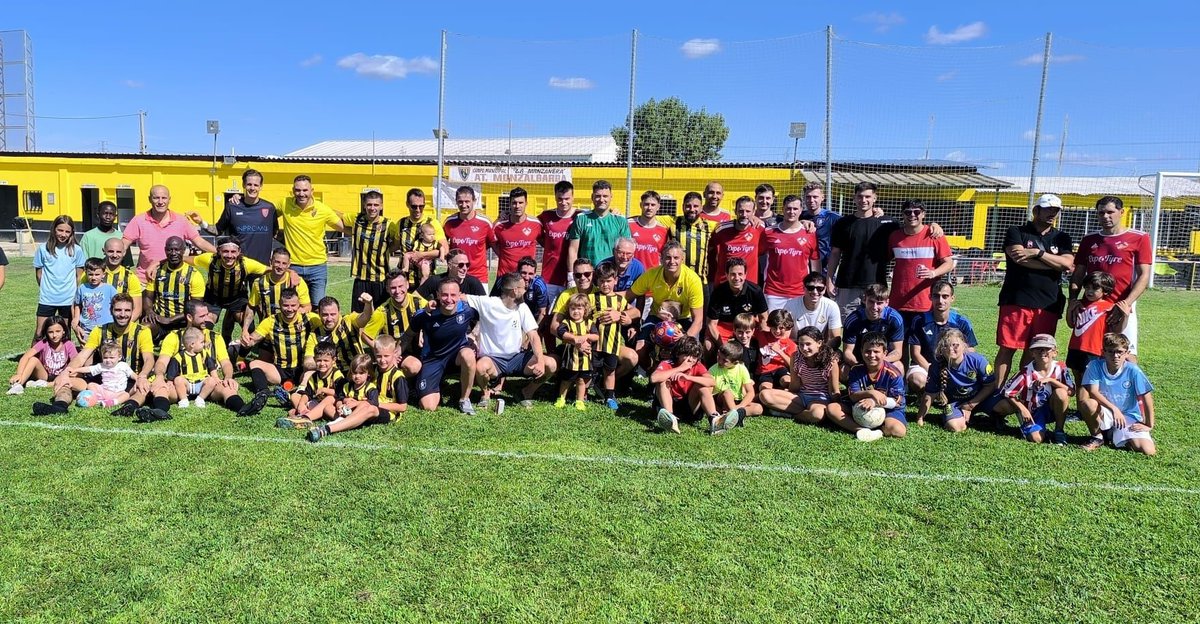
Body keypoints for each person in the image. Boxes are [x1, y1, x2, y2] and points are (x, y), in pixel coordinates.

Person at [993, 193, 1075, 388]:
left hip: (1048, 303)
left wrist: (1038, 253)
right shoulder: (1016, 231)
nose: (1052, 214)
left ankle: (1024, 393)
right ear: (1036, 210)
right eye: (1048, 209)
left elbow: (1068, 263)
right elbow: (1018, 258)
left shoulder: (1062, 237)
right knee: (1007, 348)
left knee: (1036, 351)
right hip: (1016, 299)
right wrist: (1055, 264)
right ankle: (997, 394)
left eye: (1055, 210)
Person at [32, 294, 154, 417]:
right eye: (118, 310)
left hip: (129, 381)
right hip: (102, 380)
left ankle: (129, 408)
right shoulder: (100, 330)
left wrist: (142, 376)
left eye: (127, 310)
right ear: (111, 310)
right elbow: (82, 357)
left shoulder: (142, 332)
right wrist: (66, 372)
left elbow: (149, 359)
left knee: (142, 389)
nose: (122, 314)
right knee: (66, 382)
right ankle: (59, 407)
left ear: (132, 311)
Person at [1069, 195, 1152, 359]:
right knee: (1088, 355)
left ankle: (1130, 385)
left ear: (1121, 212)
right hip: (1092, 307)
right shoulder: (1089, 240)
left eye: (1110, 212)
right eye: (1101, 213)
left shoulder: (1139, 237)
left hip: (1120, 307)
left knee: (1125, 354)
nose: (1105, 216)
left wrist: (1126, 305)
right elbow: (1078, 274)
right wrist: (1072, 300)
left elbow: (1144, 276)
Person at [140, 300, 246, 419]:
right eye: (202, 316)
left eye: (207, 314)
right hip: (180, 386)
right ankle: (159, 412)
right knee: (161, 389)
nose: (207, 318)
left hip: (207, 385)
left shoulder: (215, 337)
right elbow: (161, 362)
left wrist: (228, 378)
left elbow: (226, 362)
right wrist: (159, 377)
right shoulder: (174, 336)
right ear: (189, 317)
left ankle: (243, 409)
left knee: (228, 388)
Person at [464, 273, 555, 410]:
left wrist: (540, 360)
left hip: (517, 358)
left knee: (551, 365)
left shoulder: (522, 308)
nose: (526, 291)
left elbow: (533, 336)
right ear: (515, 291)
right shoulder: (488, 303)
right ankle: (486, 393)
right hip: (493, 360)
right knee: (480, 367)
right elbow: (459, 297)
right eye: (524, 288)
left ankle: (527, 392)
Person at [402, 280, 479, 413]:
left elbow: (484, 318)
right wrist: (395, 355)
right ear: (437, 295)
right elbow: (407, 336)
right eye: (444, 295)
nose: (449, 299)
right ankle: (431, 383)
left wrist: (474, 334)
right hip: (433, 359)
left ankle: (464, 399)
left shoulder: (467, 309)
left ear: (459, 295)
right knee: (428, 407)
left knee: (468, 355)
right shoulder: (426, 314)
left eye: (453, 295)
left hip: (457, 357)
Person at [238, 288, 319, 415]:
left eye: (293, 305)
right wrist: (247, 342)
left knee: (312, 368)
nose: (290, 309)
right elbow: (253, 339)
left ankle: (296, 394)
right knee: (254, 364)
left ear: (299, 305)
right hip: (280, 370)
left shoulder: (310, 319)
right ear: (280, 305)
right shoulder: (271, 321)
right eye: (286, 305)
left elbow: (327, 326)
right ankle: (262, 393)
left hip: (302, 369)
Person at [988, 333, 1074, 445]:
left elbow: (1071, 391)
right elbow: (1008, 392)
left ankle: (1059, 431)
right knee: (1036, 439)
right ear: (1032, 353)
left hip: (1053, 408)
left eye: (1047, 349)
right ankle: (1031, 425)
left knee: (1061, 393)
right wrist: (1022, 409)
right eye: (1038, 349)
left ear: (1055, 353)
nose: (1042, 352)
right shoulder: (1025, 372)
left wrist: (1051, 380)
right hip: (1033, 411)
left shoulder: (1061, 368)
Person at [826, 181, 898, 316]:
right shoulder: (842, 223)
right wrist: (829, 280)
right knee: (848, 327)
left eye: (867, 197)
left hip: (876, 285)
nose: (863, 200)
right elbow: (835, 253)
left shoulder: (888, 224)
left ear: (875, 198)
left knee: (875, 329)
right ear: (854, 198)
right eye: (859, 196)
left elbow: (912, 231)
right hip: (847, 285)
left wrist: (934, 226)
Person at [1078, 333, 1156, 455]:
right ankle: (1097, 437)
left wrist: (1149, 424)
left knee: (1148, 451)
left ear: (1127, 353)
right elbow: (1093, 392)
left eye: (1120, 352)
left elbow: (1146, 396)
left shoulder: (1133, 370)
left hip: (1128, 415)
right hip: (1106, 411)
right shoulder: (1095, 366)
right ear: (1103, 352)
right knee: (1088, 403)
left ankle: (1112, 433)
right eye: (1111, 351)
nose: (1115, 356)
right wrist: (1114, 409)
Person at [187, 236, 269, 351]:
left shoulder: (246, 263)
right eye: (225, 251)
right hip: (214, 297)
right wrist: (156, 264)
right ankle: (203, 349)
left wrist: (291, 272)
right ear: (219, 251)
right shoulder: (209, 259)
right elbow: (184, 259)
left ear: (239, 252)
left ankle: (241, 355)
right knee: (205, 322)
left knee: (248, 325)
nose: (229, 255)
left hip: (237, 298)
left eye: (233, 252)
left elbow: (270, 269)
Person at [276, 175, 346, 305]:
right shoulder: (285, 204)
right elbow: (263, 212)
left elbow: (344, 228)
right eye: (298, 190)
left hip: (317, 267)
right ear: (293, 190)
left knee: (318, 307)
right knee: (292, 306)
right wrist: (240, 200)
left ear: (312, 191)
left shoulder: (323, 209)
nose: (301, 194)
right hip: (293, 267)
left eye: (305, 190)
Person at [122, 185, 215, 282]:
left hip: (175, 279)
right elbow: (124, 243)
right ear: (149, 199)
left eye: (164, 198)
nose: (160, 202)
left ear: (169, 200)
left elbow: (200, 242)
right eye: (156, 198)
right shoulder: (138, 220)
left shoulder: (181, 221)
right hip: (145, 279)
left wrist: (220, 253)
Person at [886, 199, 955, 329]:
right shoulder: (894, 237)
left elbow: (948, 263)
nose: (912, 215)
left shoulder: (934, 235)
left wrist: (933, 273)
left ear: (923, 214)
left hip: (926, 302)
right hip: (898, 301)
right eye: (908, 212)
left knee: (925, 346)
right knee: (899, 344)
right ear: (902, 214)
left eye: (916, 212)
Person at [188, 169, 279, 264]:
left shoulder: (269, 208)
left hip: (262, 267)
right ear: (243, 185)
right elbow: (217, 230)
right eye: (249, 184)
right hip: (237, 266)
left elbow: (275, 233)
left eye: (256, 185)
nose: (252, 188)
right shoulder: (232, 206)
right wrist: (201, 222)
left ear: (260, 187)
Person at [905, 279, 979, 393]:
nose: (940, 300)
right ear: (930, 297)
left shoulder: (961, 322)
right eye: (936, 296)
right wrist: (933, 372)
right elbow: (915, 354)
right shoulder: (919, 320)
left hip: (953, 366)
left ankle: (945, 392)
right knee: (917, 380)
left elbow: (970, 350)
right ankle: (933, 393)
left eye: (945, 296)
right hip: (925, 366)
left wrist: (955, 367)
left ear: (952, 298)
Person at [759, 325, 842, 425]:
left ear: (819, 343)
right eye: (801, 344)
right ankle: (802, 412)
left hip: (821, 400)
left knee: (817, 414)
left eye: (808, 344)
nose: (804, 348)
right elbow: (794, 384)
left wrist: (836, 408)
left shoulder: (831, 362)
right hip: (801, 397)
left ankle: (791, 414)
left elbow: (833, 391)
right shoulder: (796, 357)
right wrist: (787, 396)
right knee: (765, 395)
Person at [917, 328, 996, 432]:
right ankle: (962, 417)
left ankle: (995, 417)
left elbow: (990, 385)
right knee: (955, 426)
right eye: (945, 345)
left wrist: (971, 405)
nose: (950, 349)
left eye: (955, 345)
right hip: (957, 403)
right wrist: (920, 417)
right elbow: (930, 394)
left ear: (964, 345)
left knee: (1006, 406)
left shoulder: (978, 360)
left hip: (980, 399)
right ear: (940, 349)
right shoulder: (936, 366)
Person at [837, 332, 907, 442]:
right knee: (832, 409)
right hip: (859, 405)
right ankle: (861, 430)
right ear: (861, 351)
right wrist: (872, 393)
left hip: (888, 409)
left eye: (876, 351)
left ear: (885, 353)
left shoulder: (893, 373)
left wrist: (874, 402)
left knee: (898, 431)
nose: (872, 355)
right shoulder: (856, 370)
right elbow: (853, 396)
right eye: (867, 351)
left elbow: (897, 401)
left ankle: (880, 430)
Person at [586, 263, 639, 406]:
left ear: (615, 280)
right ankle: (582, 395)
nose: (605, 285)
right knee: (589, 369)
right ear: (597, 281)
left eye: (608, 281)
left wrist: (624, 316)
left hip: (612, 344)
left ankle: (610, 396)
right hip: (595, 344)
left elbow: (636, 312)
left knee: (610, 371)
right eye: (602, 281)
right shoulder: (591, 298)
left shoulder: (620, 300)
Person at [651, 336, 725, 434]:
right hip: (671, 402)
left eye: (694, 357)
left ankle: (714, 420)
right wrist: (679, 369)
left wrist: (689, 378)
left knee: (703, 385)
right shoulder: (668, 363)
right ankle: (670, 418)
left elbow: (712, 382)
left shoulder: (697, 365)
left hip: (690, 406)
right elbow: (654, 378)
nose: (690, 360)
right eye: (687, 355)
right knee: (663, 381)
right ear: (678, 353)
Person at [762, 194, 820, 311]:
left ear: (800, 211)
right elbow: (756, 254)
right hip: (773, 292)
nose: (791, 212)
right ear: (782, 209)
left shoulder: (809, 233)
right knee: (774, 328)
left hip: (800, 291)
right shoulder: (768, 232)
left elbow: (815, 261)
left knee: (798, 328)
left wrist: (815, 285)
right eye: (788, 208)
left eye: (795, 209)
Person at [567, 180, 630, 287]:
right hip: (586, 276)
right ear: (592, 197)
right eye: (598, 196)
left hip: (609, 277)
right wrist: (571, 277)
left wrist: (621, 274)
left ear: (611, 197)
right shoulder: (581, 219)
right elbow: (573, 249)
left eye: (605, 196)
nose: (601, 199)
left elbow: (626, 251)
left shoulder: (620, 220)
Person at [142, 236, 205, 341]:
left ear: (184, 250)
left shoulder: (194, 275)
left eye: (177, 249)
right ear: (165, 250)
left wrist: (170, 320)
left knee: (194, 339)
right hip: (159, 320)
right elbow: (148, 297)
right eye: (170, 249)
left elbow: (195, 308)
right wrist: (149, 311)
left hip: (183, 322)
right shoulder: (157, 272)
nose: (173, 253)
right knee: (144, 329)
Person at [33, 215, 86, 341]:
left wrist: (73, 295)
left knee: (64, 334)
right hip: (47, 298)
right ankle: (32, 359)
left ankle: (64, 360)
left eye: (67, 231)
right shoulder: (43, 249)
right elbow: (39, 274)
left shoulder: (76, 250)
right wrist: (47, 289)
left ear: (72, 233)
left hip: (67, 299)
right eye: (60, 230)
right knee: (40, 333)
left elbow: (79, 276)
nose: (63, 234)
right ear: (54, 230)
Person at [305, 354, 381, 442]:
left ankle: (329, 427)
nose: (357, 376)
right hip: (344, 414)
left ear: (368, 373)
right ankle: (305, 418)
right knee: (327, 407)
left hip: (361, 416)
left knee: (364, 404)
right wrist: (339, 406)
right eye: (354, 373)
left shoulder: (371, 388)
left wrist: (356, 403)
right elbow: (339, 398)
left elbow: (374, 404)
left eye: (361, 373)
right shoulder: (347, 386)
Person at [1066, 271, 1121, 390]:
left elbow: (1115, 329)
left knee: (1091, 382)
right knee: (1078, 378)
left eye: (1095, 288)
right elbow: (1071, 324)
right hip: (1075, 347)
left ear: (1105, 291)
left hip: (1094, 350)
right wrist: (1069, 309)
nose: (1089, 291)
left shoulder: (1109, 307)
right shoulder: (1079, 304)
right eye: (1087, 288)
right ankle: (1080, 408)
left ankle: (1090, 406)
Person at [349, 190, 399, 312]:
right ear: (364, 205)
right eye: (369, 204)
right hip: (361, 279)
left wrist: (387, 249)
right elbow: (337, 217)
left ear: (381, 206)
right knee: (358, 316)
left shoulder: (389, 224)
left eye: (376, 205)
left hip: (381, 279)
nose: (372, 208)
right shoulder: (356, 219)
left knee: (380, 315)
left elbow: (397, 243)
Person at [705, 257, 768, 354]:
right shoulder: (718, 292)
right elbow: (711, 324)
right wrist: (724, 347)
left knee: (764, 347)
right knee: (708, 345)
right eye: (733, 274)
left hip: (747, 328)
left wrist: (764, 341)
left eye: (740, 274)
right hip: (724, 328)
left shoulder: (755, 291)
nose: (737, 278)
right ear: (726, 275)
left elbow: (764, 319)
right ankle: (712, 368)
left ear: (745, 275)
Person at [245, 247, 311, 339]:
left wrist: (291, 313)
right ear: (270, 261)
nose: (280, 266)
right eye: (277, 262)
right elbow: (251, 307)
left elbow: (307, 307)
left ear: (289, 265)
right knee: (245, 344)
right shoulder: (259, 283)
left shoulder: (297, 282)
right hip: (268, 331)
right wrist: (245, 330)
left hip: (292, 331)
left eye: (284, 263)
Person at [363, 271, 429, 360]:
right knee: (413, 366)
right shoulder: (383, 311)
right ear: (387, 289)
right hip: (399, 354)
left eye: (400, 286)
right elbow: (365, 336)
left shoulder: (419, 303)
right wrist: (384, 352)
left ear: (407, 285)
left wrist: (422, 330)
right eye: (393, 288)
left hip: (420, 349)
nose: (397, 291)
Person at [842, 284, 906, 373]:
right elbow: (847, 352)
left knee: (898, 366)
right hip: (860, 360)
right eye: (871, 302)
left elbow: (897, 352)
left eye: (879, 303)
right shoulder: (853, 320)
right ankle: (854, 386)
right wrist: (858, 365)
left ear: (887, 302)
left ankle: (891, 386)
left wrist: (879, 363)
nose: (875, 307)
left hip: (883, 359)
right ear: (864, 300)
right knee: (843, 370)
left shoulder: (894, 318)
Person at [279, 342, 343, 428]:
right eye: (319, 360)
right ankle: (303, 411)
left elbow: (341, 393)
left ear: (334, 360)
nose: (322, 363)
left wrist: (325, 390)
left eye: (326, 360)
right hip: (316, 403)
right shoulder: (314, 376)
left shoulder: (336, 374)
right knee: (295, 395)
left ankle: (305, 418)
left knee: (330, 398)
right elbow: (307, 394)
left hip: (332, 406)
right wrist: (301, 404)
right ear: (314, 359)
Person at [9, 316, 76, 395]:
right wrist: (19, 374)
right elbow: (26, 356)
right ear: (46, 332)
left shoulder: (68, 345)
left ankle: (45, 384)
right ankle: (18, 385)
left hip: (62, 375)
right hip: (45, 375)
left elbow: (75, 362)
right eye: (50, 332)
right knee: (33, 359)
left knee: (75, 371)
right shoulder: (44, 343)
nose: (54, 335)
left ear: (63, 331)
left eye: (58, 331)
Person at [443, 186, 495, 286]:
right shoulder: (449, 222)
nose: (464, 205)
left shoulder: (485, 222)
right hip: (455, 276)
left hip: (479, 276)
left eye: (467, 201)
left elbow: (493, 244)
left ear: (474, 201)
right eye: (460, 201)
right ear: (456, 202)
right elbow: (443, 244)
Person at [537, 181, 579, 305]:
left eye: (567, 199)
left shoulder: (580, 216)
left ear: (573, 197)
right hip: (550, 276)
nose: (563, 202)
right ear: (555, 197)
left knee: (572, 311)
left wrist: (614, 212)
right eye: (560, 199)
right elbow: (531, 225)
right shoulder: (546, 216)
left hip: (572, 276)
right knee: (546, 313)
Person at [707, 196, 764, 285]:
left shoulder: (759, 229)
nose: (744, 214)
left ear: (753, 212)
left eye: (748, 211)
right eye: (741, 211)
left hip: (749, 284)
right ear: (735, 211)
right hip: (724, 283)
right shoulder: (721, 229)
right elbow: (709, 248)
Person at [396, 188, 448, 285]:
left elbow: (445, 249)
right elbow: (394, 246)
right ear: (407, 204)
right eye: (414, 206)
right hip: (406, 281)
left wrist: (421, 255)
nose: (418, 210)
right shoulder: (401, 223)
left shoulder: (432, 223)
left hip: (427, 280)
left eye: (421, 206)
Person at [555, 293, 597, 411]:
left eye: (579, 308)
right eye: (573, 308)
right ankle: (561, 398)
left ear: (585, 310)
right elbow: (561, 332)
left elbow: (596, 336)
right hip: (570, 358)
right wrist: (574, 338)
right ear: (568, 309)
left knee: (581, 380)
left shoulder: (589, 323)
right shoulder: (567, 323)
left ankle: (579, 401)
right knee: (566, 380)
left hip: (585, 359)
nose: (576, 311)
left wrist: (587, 336)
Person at [782, 272, 842, 348]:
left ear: (825, 289)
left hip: (820, 347)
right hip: (796, 346)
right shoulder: (791, 305)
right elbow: (785, 336)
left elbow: (835, 338)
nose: (815, 292)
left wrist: (819, 352)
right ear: (804, 288)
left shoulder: (831, 306)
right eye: (810, 288)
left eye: (820, 288)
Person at [709, 341, 760, 429]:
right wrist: (717, 410)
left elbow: (750, 392)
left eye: (724, 360)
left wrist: (739, 406)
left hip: (736, 401)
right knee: (727, 392)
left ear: (735, 362)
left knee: (758, 408)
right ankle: (735, 417)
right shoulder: (713, 370)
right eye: (719, 356)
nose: (720, 361)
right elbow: (709, 395)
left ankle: (732, 415)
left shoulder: (741, 369)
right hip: (721, 399)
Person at [492, 187, 542, 277]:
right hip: (505, 277)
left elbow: (546, 243)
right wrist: (504, 255)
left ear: (526, 203)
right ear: (510, 204)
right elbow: (491, 241)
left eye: (521, 203)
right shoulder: (499, 225)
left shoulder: (536, 224)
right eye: (514, 203)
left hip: (526, 277)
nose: (517, 206)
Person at [69, 341, 135, 408]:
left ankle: (113, 402)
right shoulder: (102, 366)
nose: (108, 360)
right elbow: (89, 369)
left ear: (119, 357)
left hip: (117, 393)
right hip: (103, 390)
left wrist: (139, 379)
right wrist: (76, 370)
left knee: (126, 395)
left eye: (111, 358)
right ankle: (98, 399)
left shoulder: (123, 366)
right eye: (105, 358)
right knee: (91, 385)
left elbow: (132, 375)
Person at [166, 327, 220, 408]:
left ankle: (201, 398)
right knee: (178, 380)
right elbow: (172, 372)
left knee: (211, 381)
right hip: (187, 384)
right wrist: (169, 381)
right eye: (202, 342)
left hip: (202, 383)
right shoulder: (179, 357)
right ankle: (183, 400)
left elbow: (211, 367)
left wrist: (215, 377)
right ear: (192, 344)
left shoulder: (204, 354)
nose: (204, 344)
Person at [669, 191, 713, 284]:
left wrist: (752, 219)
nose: (692, 209)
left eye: (696, 206)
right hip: (677, 281)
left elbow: (731, 225)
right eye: (688, 206)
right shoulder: (672, 222)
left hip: (701, 281)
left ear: (701, 208)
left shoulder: (710, 226)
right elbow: (648, 218)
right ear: (683, 207)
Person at [490, 256, 549, 323]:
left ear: (535, 274)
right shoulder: (504, 280)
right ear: (517, 271)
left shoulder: (539, 285)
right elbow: (492, 303)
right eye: (523, 273)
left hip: (531, 320)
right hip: (508, 317)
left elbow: (542, 312)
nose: (527, 277)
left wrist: (535, 330)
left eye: (530, 274)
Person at [73, 258, 118, 344]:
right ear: (85, 273)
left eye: (97, 274)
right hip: (86, 328)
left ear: (103, 274)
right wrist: (76, 318)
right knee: (87, 353)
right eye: (90, 274)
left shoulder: (109, 289)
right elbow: (77, 304)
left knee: (107, 353)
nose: (94, 277)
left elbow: (117, 304)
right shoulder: (82, 288)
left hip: (106, 329)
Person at [798, 182, 840, 274]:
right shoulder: (797, 216)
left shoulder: (833, 218)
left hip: (825, 269)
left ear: (822, 198)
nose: (811, 200)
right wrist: (800, 222)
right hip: (801, 267)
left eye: (815, 197)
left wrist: (875, 212)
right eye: (808, 197)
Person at [98, 237, 145, 319]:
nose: (115, 255)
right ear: (103, 251)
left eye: (118, 252)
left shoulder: (130, 277)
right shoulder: (92, 273)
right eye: (110, 251)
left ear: (124, 253)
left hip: (119, 324)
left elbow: (137, 310)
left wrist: (122, 326)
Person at [416, 248, 487, 300]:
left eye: (467, 265)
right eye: (461, 265)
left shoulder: (473, 283)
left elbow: (485, 305)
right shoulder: (435, 281)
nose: (465, 268)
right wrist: (428, 306)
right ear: (449, 265)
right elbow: (415, 298)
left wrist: (469, 299)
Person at [79, 200, 133, 265]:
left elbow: (127, 263)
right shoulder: (88, 236)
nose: (108, 217)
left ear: (115, 217)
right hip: (95, 274)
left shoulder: (121, 237)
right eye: (105, 213)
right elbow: (82, 262)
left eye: (111, 214)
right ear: (98, 215)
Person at [627, 190, 669, 270]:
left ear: (658, 207)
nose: (649, 208)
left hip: (652, 274)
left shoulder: (663, 230)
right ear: (641, 205)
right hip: (632, 273)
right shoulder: (629, 224)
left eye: (653, 205)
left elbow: (663, 255)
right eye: (646, 204)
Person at [757, 309, 796, 391]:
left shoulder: (790, 344)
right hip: (765, 371)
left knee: (786, 381)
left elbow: (792, 364)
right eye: (774, 327)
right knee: (764, 388)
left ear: (786, 327)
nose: (777, 331)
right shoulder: (762, 335)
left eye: (781, 328)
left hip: (781, 369)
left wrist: (779, 351)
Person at [401, 222, 442, 287]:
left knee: (425, 272)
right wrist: (413, 256)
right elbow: (414, 250)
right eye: (429, 234)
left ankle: (422, 286)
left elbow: (442, 248)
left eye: (433, 234)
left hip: (426, 261)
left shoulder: (435, 243)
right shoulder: (418, 242)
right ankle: (405, 268)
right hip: (417, 259)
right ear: (422, 235)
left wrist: (441, 256)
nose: (432, 236)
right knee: (406, 255)